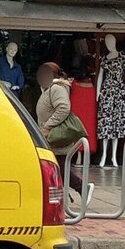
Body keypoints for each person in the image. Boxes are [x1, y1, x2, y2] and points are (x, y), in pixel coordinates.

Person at [36, 62, 94, 205]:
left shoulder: (56, 89)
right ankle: (59, 199)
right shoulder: (48, 88)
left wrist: (48, 126)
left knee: (58, 169)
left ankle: (81, 188)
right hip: (50, 136)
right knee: (54, 170)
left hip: (56, 136)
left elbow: (63, 108)